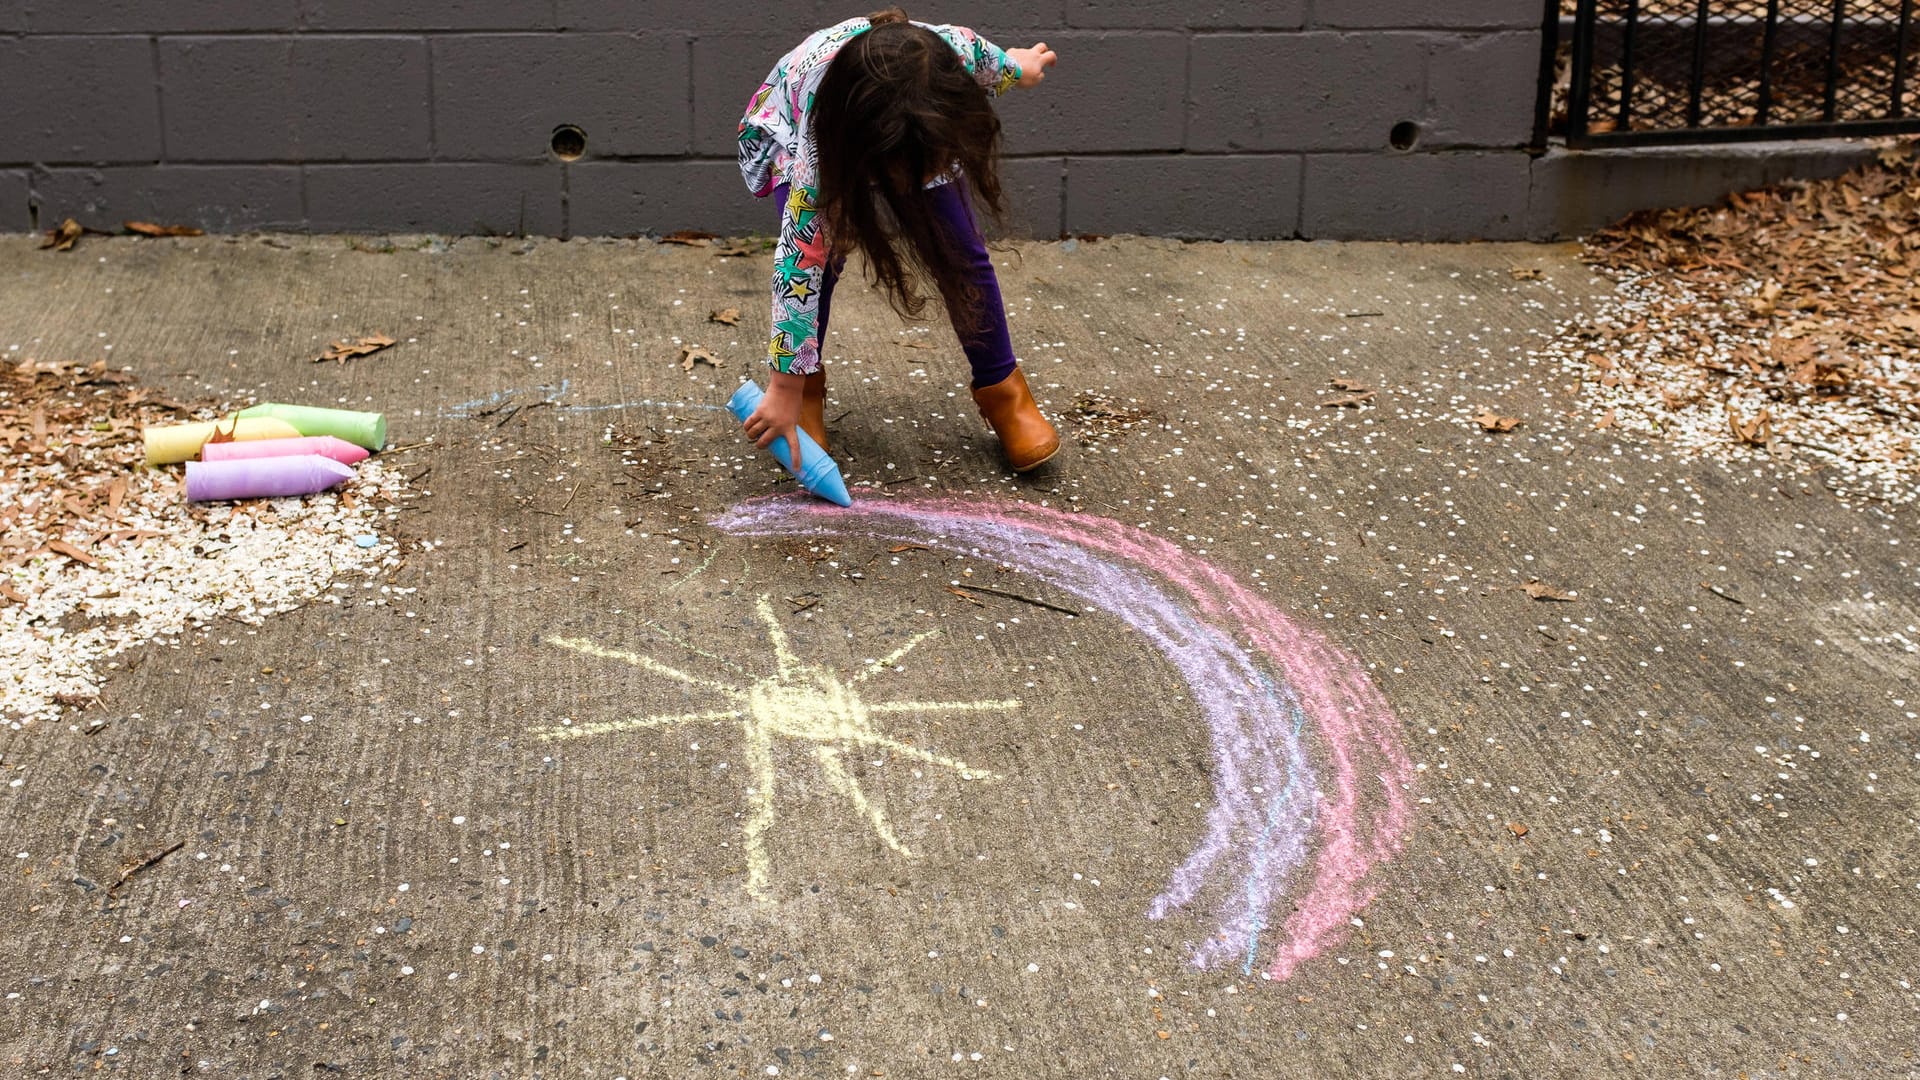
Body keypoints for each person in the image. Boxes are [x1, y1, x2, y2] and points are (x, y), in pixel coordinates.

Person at [734, 8, 1061, 475]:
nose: (915, 185)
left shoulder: (946, 54)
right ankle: (806, 392)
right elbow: (796, 275)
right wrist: (782, 393)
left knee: (962, 254)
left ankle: (1003, 391)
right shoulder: (817, 164)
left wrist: (1018, 68)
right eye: (908, 172)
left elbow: (987, 59)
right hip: (813, 123)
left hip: (911, 126)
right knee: (818, 264)